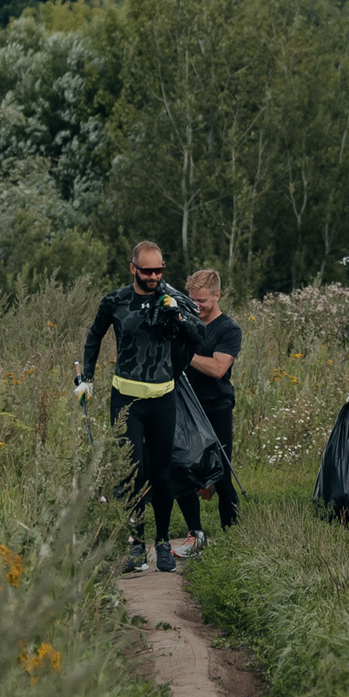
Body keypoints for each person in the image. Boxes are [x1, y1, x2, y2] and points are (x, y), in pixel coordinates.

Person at [77, 241, 203, 572]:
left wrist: (178, 315)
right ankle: (136, 545)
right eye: (147, 271)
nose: (154, 276)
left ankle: (161, 542)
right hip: (126, 399)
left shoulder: (172, 297)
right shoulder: (115, 301)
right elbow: (94, 336)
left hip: (163, 398)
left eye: (159, 270)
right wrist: (87, 378)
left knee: (162, 475)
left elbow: (198, 333)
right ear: (133, 268)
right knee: (131, 474)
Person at [172, 268, 242, 556]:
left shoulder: (228, 329)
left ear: (217, 295)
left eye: (202, 301)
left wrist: (185, 354)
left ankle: (234, 540)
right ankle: (196, 537)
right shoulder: (185, 322)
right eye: (192, 300)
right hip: (185, 408)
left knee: (221, 476)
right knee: (181, 472)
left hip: (216, 407)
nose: (196, 306)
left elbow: (217, 368)